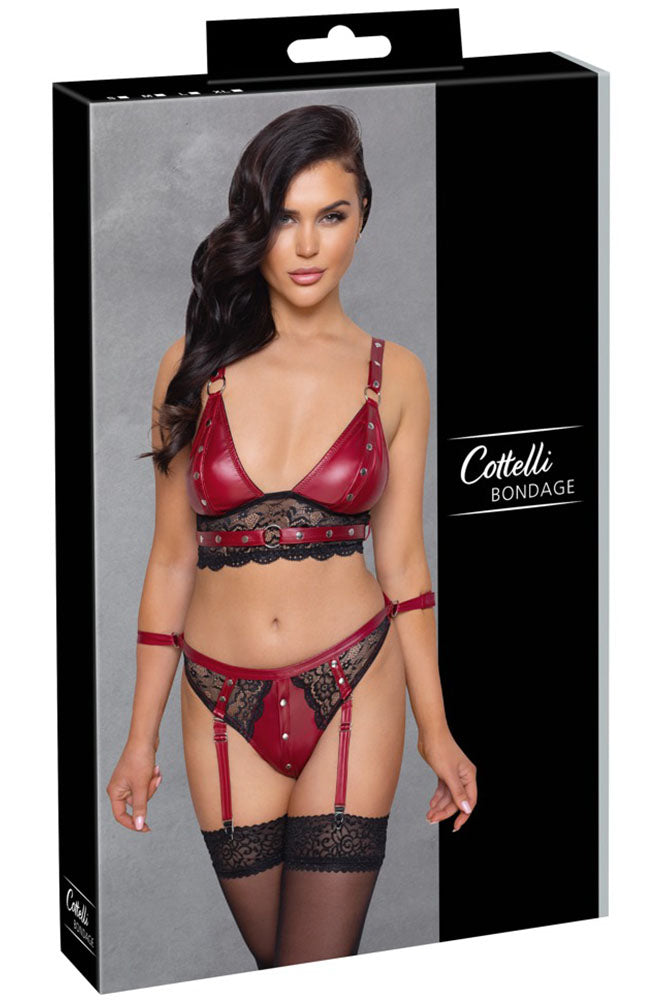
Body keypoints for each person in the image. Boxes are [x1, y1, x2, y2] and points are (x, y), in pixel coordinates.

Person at [106, 104, 477, 970]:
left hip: (356, 683)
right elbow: (171, 560)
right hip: (216, 699)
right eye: (284, 218)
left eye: (331, 215)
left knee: (313, 969)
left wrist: (437, 728)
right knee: (277, 972)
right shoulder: (190, 368)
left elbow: (405, 564)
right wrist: (138, 737)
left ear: (362, 216)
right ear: (256, 225)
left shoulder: (397, 376)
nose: (307, 245)